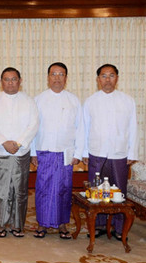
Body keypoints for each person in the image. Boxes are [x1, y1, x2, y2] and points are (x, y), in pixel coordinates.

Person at [82, 64, 138, 240]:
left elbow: (133, 128)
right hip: (96, 151)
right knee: (97, 191)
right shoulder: (90, 101)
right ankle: (98, 225)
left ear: (117, 78)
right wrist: (83, 151)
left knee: (119, 192)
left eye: (111, 75)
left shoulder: (127, 100)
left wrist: (132, 153)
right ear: (98, 80)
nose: (107, 79)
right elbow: (84, 128)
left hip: (119, 153)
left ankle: (119, 228)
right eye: (104, 76)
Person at [31, 62, 85, 239]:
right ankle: (42, 224)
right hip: (44, 151)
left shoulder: (73, 100)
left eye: (61, 74)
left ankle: (62, 224)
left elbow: (80, 129)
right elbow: (32, 128)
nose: (57, 78)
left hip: (65, 154)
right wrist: (32, 152)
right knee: (43, 189)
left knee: (64, 189)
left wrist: (78, 154)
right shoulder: (38, 100)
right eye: (53, 74)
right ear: (48, 77)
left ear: (66, 78)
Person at [0, 67, 39, 238]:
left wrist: (19, 143)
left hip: (20, 153)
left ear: (20, 81)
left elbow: (33, 124)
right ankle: (0, 224)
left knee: (19, 190)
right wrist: (4, 142)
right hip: (0, 152)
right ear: (1, 81)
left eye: (14, 79)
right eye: (6, 79)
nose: (10, 83)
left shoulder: (29, 101)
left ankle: (17, 225)